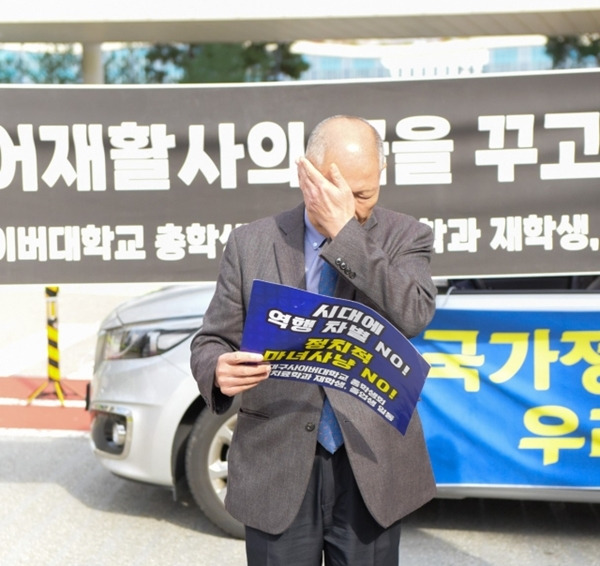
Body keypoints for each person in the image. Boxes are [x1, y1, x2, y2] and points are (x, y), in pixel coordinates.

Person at [190, 115, 437, 566]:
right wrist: (217, 369)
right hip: (277, 460)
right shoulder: (251, 243)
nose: (359, 207)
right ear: (308, 176)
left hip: (369, 460)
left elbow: (414, 313)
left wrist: (347, 234)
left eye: (368, 194)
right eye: (348, 194)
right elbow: (212, 339)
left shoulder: (405, 236)